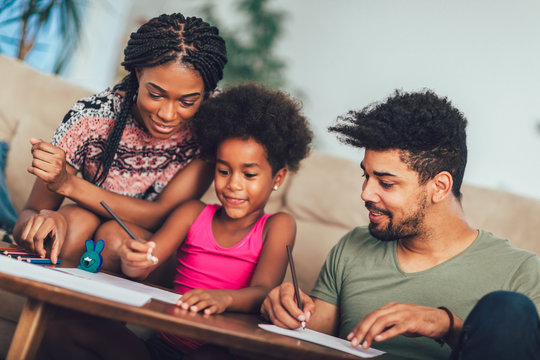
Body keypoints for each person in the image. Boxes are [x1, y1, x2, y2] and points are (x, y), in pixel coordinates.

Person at [38, 83, 314, 359]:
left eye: (249, 175)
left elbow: (264, 291)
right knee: (62, 332)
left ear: (277, 178)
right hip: (161, 346)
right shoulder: (192, 212)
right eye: (224, 171)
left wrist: (225, 298)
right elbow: (150, 259)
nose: (234, 185)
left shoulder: (277, 225)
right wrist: (133, 260)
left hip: (214, 351)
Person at [260, 90, 540, 360]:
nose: (366, 194)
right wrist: (285, 309)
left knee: (509, 309)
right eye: (366, 176)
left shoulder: (521, 273)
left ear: (439, 187)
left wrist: (448, 326)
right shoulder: (353, 247)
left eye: (386, 183)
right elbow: (307, 334)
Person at [12, 13, 228, 273]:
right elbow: (30, 212)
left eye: (187, 101)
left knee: (114, 237)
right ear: (138, 74)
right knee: (72, 223)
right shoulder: (91, 118)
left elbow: (161, 215)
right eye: (156, 94)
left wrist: (68, 184)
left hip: (156, 244)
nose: (168, 114)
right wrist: (41, 224)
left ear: (206, 92)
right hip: (86, 227)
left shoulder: (212, 125)